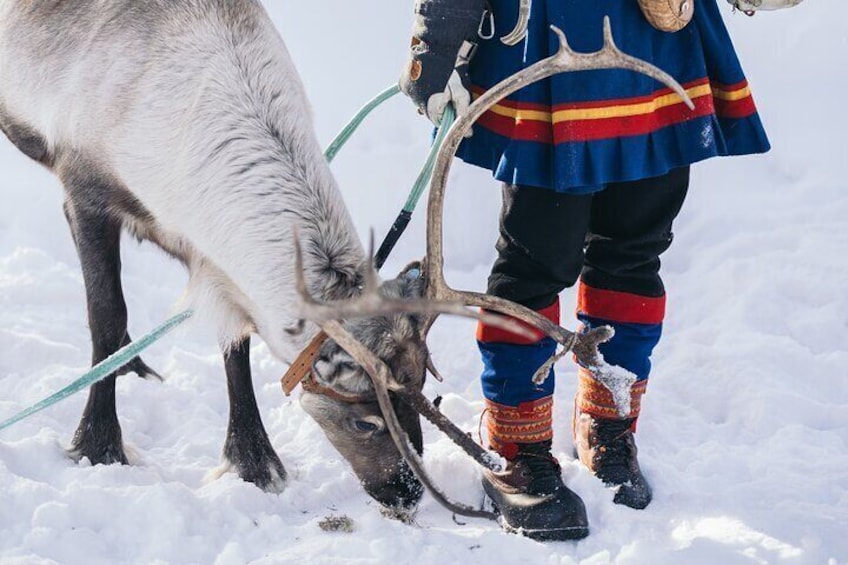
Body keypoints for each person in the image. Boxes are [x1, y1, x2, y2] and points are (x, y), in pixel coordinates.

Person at [399, 0, 774, 541]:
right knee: (538, 255)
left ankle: (607, 420)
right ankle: (514, 441)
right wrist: (435, 39)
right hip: (555, 41)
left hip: (658, 37)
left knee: (637, 244)